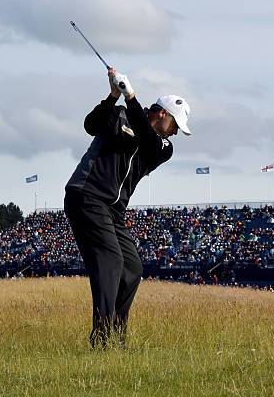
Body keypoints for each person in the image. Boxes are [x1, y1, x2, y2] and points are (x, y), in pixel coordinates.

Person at [64, 67, 191, 348]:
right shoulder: (120, 114)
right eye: (176, 125)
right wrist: (112, 96)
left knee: (132, 268)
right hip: (87, 194)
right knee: (111, 262)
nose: (176, 133)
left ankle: (116, 336)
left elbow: (145, 137)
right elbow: (91, 125)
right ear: (162, 114)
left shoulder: (163, 147)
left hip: (112, 209)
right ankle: (102, 337)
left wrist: (130, 96)